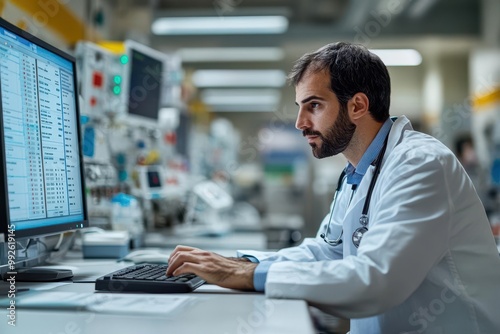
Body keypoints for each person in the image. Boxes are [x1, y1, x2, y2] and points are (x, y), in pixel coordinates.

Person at [167, 42, 500, 333]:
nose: (300, 123)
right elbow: (326, 251)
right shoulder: (360, 170)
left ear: (357, 106)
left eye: (314, 106)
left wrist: (249, 275)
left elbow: (376, 281)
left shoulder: (421, 164)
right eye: (300, 107)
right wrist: (237, 263)